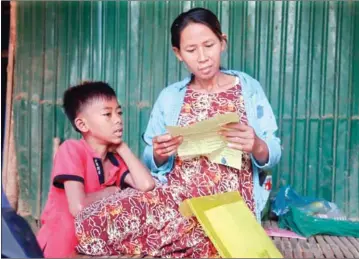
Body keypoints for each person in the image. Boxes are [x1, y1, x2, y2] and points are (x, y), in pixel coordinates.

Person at [75, 8, 281, 258]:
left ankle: (207, 235)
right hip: (177, 199)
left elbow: (273, 150)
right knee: (92, 220)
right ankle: (191, 234)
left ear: (222, 42)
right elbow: (152, 161)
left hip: (229, 204)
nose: (203, 57)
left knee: (205, 235)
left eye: (209, 45)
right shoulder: (170, 97)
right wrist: (160, 154)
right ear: (178, 54)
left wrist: (257, 145)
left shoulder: (248, 88)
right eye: (191, 50)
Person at [37, 82, 155, 258]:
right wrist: (112, 191)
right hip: (61, 245)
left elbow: (146, 185)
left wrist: (123, 148)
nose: (118, 120)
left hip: (91, 250)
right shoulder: (72, 149)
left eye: (119, 112)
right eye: (107, 114)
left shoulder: (115, 160)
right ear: (83, 124)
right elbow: (78, 206)